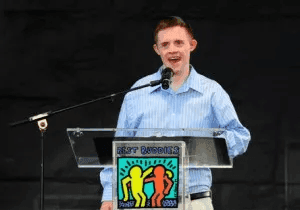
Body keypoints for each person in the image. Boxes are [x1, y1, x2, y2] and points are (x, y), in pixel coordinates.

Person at [100, 16, 251, 210]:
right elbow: (118, 147)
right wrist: (109, 195)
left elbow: (240, 136)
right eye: (165, 44)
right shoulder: (138, 91)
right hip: (144, 200)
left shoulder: (212, 91)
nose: (172, 49)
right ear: (157, 50)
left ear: (192, 45)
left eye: (179, 42)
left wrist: (201, 149)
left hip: (194, 200)